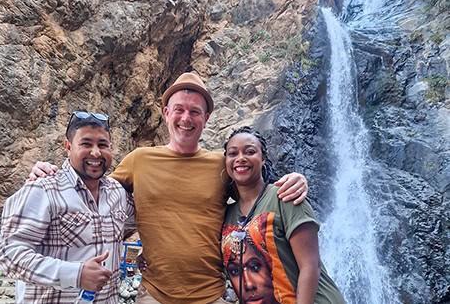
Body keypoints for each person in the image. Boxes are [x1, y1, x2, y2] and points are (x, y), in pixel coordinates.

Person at [29, 72, 309, 304]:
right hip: (154, 294)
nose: (186, 118)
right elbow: (90, 189)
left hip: (211, 295)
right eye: (179, 110)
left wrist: (295, 179)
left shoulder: (222, 164)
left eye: (195, 112)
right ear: (166, 113)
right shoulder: (139, 159)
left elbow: (256, 197)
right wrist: (52, 172)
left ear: (206, 118)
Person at [0, 111, 136, 303]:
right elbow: (9, 255)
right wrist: (75, 274)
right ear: (68, 147)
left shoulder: (118, 193)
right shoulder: (43, 189)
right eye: (86, 144)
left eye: (102, 145)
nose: (96, 152)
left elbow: (145, 218)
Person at [221, 126, 345, 304]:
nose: (241, 158)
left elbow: (310, 265)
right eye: (233, 153)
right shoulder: (227, 214)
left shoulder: (286, 196)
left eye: (249, 151)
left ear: (263, 158)